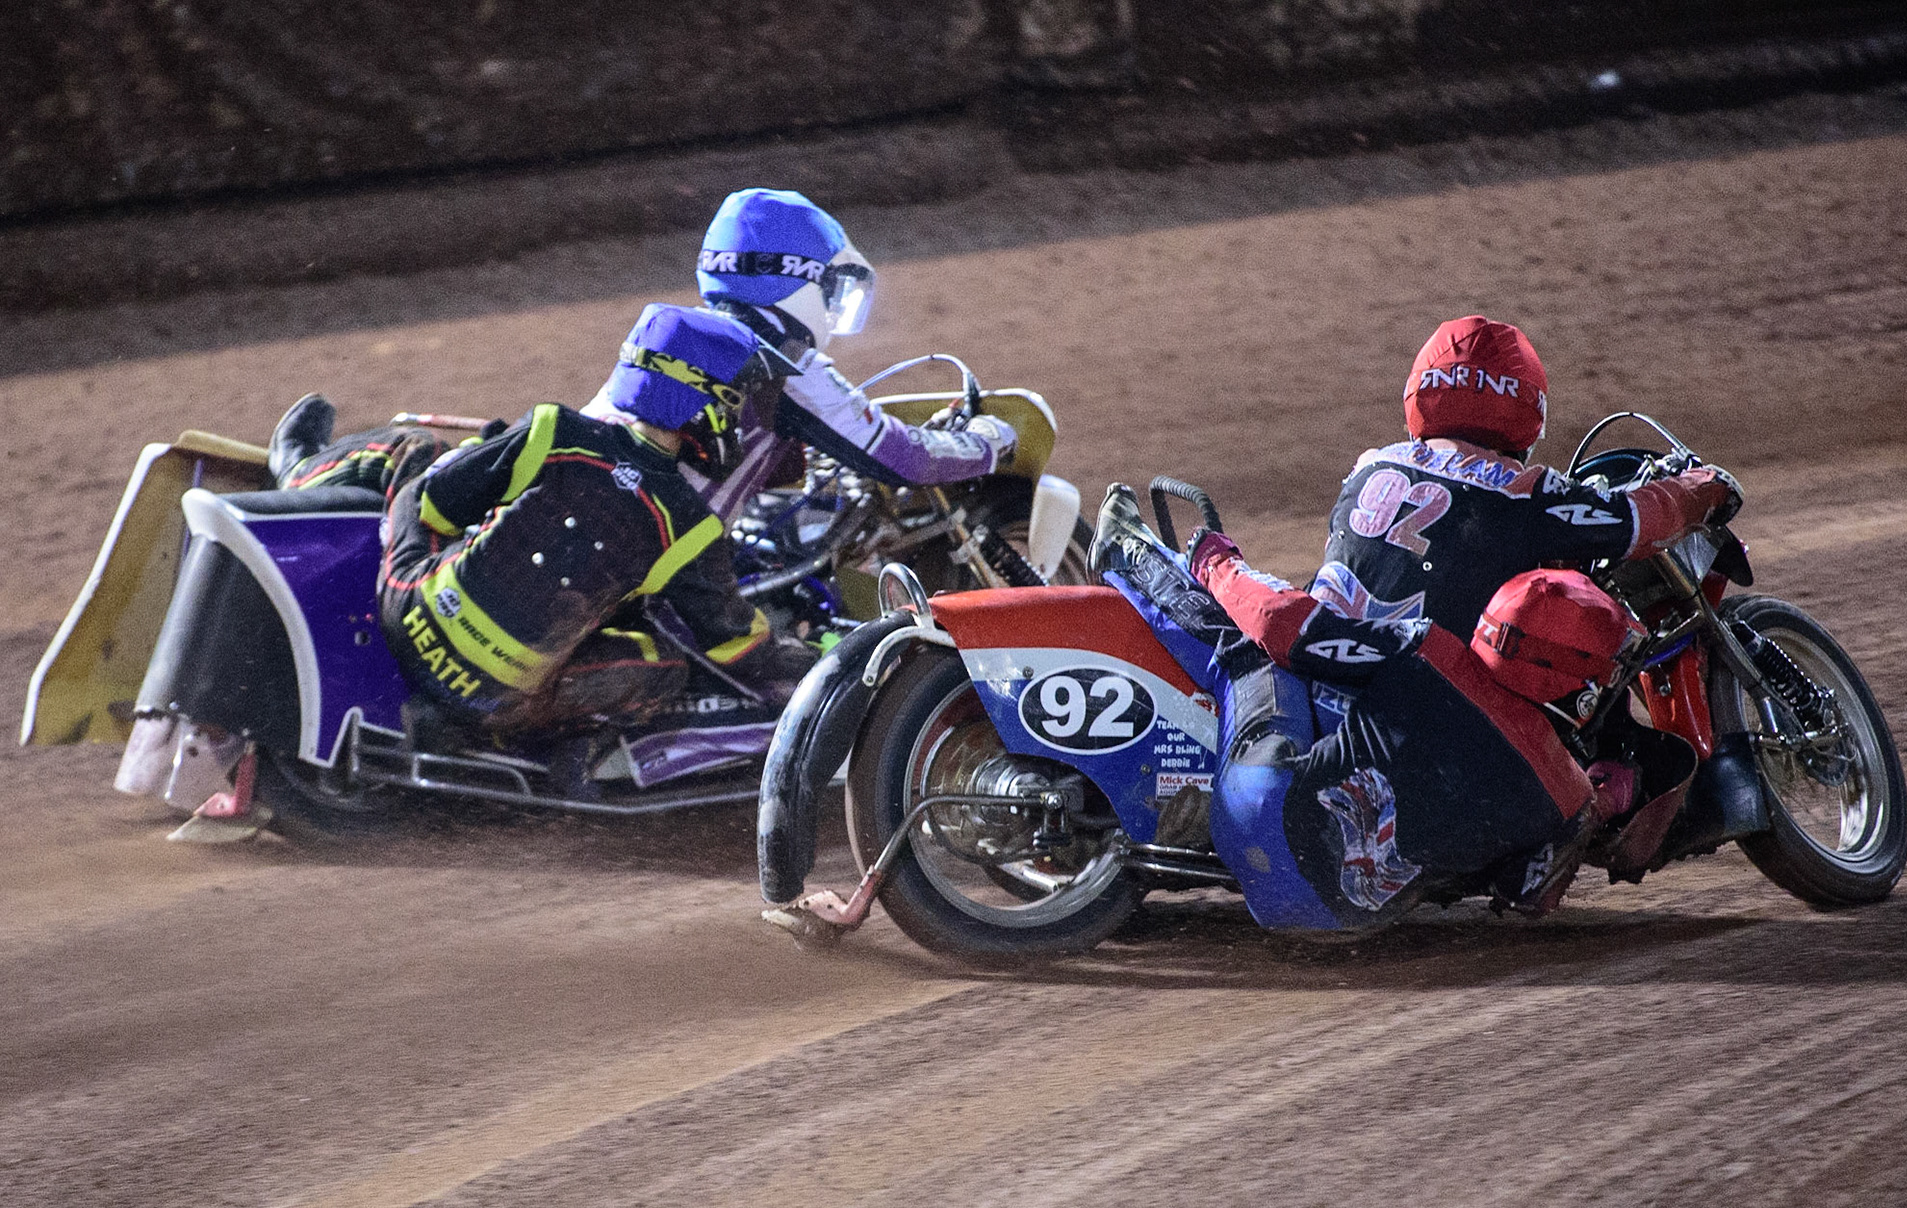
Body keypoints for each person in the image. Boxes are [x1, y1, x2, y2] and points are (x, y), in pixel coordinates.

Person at [1091, 485, 1646, 926]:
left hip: (1260, 817)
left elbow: (1281, 623)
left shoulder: (1432, 657)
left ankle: (1128, 552)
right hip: (1351, 915)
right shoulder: (1567, 798)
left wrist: (1218, 564)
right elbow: (1527, 895)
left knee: (1253, 655)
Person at [266, 304, 815, 746]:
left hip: (405, 614)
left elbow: (428, 504)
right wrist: (821, 654)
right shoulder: (691, 528)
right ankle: (560, 744)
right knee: (667, 662)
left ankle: (303, 470)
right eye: (737, 398)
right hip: (495, 700)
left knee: (418, 452)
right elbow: (739, 649)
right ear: (703, 402)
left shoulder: (553, 430)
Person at [1311, 315, 1740, 640]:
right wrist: (1702, 489)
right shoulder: (1518, 490)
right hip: (1433, 711)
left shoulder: (1367, 467)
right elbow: (1635, 520)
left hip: (1330, 674)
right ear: (1527, 410)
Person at [581, 188, 1019, 502]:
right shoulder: (782, 363)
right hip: (663, 584)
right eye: (833, 287)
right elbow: (905, 461)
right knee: (804, 635)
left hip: (585, 531)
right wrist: (988, 441)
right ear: (806, 278)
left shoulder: (670, 343)